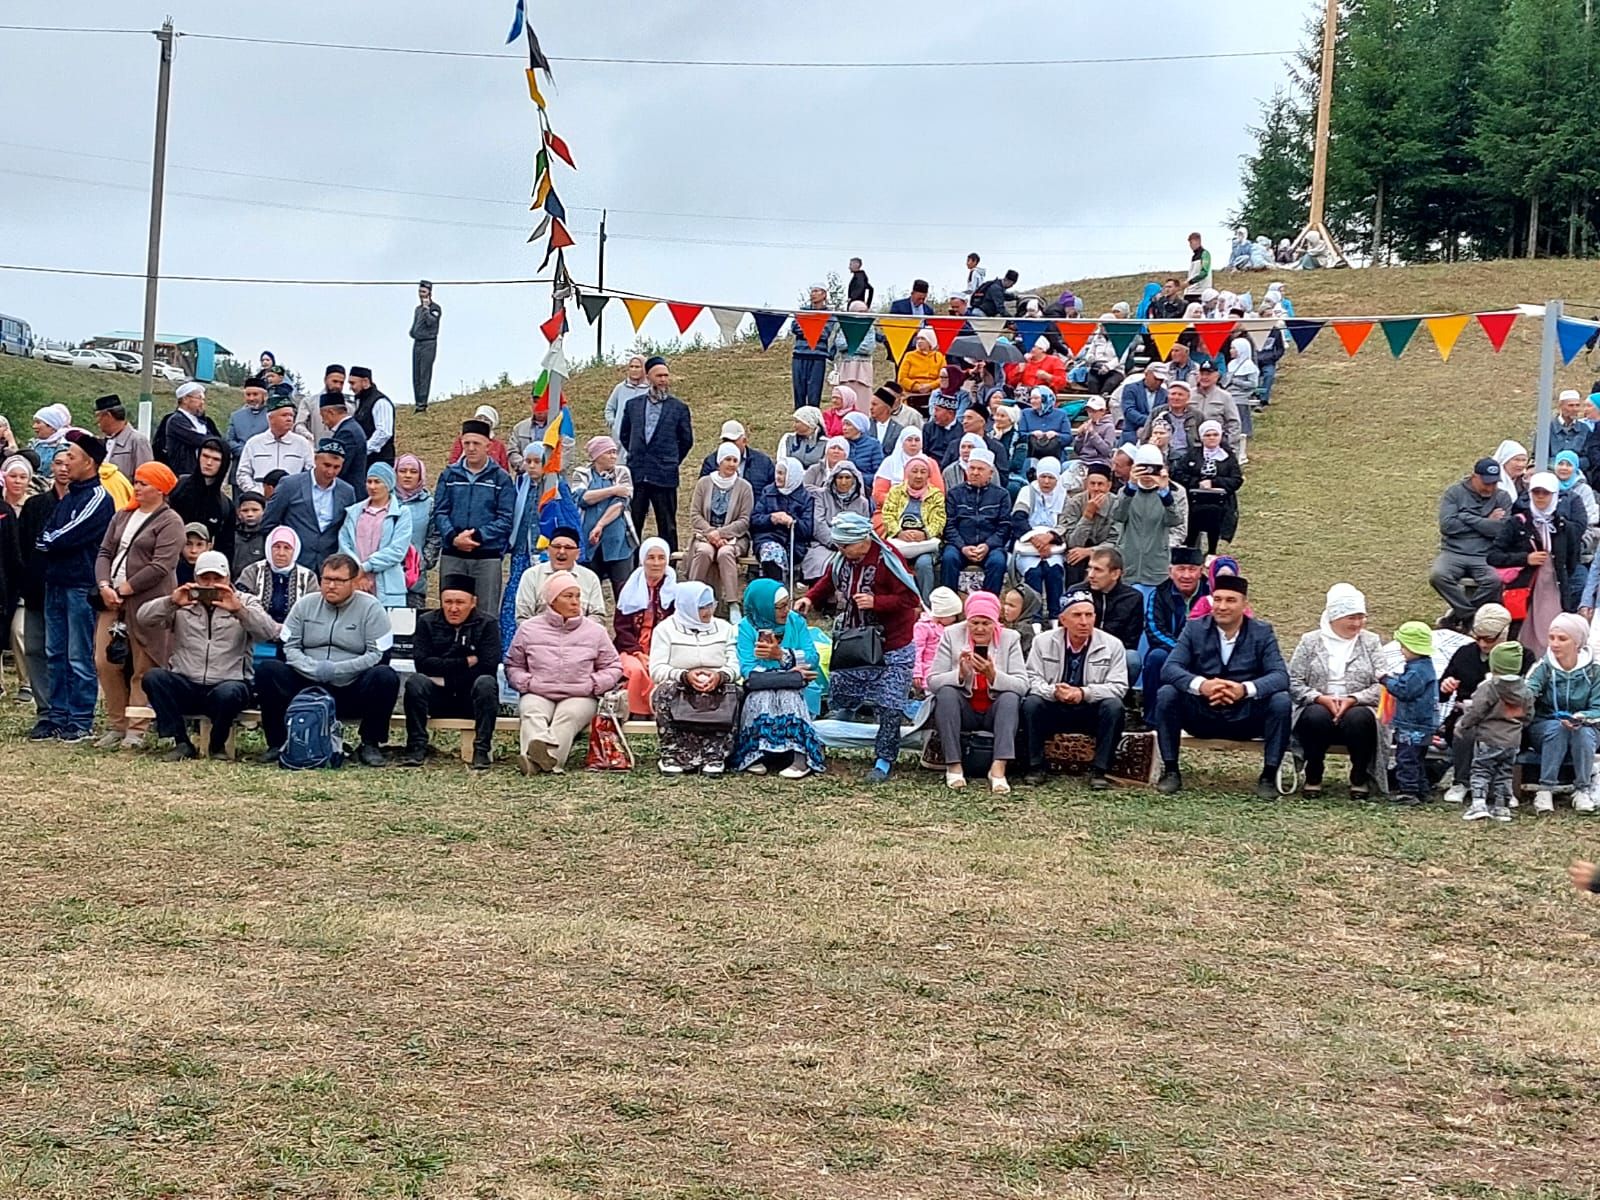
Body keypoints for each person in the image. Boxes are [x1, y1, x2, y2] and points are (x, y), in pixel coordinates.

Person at [796, 512, 921, 783]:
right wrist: (809, 598)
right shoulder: (842, 560)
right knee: (842, 691)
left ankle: (884, 760)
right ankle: (835, 732)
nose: (841, 550)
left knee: (890, 704)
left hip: (892, 645)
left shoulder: (888, 560)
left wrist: (877, 602)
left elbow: (910, 598)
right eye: (839, 545)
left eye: (846, 545)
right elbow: (827, 581)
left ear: (863, 540)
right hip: (855, 641)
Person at [254, 552, 400, 768]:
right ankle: (278, 743)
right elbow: (288, 647)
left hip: (350, 685)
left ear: (355, 582)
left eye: (339, 580)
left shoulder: (372, 608)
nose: (331, 586)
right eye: (327, 579)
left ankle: (370, 743)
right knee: (268, 670)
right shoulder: (304, 605)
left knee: (385, 676)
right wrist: (312, 668)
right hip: (307, 683)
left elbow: (377, 655)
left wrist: (338, 669)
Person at [1154, 574, 1290, 798]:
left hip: (1245, 717)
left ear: (1244, 604)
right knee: (1167, 693)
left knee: (1281, 700)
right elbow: (1170, 668)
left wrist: (1243, 690)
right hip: (1202, 714)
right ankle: (1170, 770)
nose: (1222, 606)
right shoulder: (1194, 629)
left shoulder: (1261, 632)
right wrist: (1202, 685)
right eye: (1217, 600)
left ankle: (1268, 775)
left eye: (1230, 600)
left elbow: (1279, 676)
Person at [139, 549, 279, 760]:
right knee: (154, 677)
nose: (211, 584)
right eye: (205, 578)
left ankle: (217, 744)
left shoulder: (245, 601)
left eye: (217, 578)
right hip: (187, 682)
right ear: (196, 579)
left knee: (230, 692)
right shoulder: (182, 601)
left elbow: (269, 632)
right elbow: (143, 619)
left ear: (228, 579)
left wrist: (238, 610)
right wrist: (171, 602)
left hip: (228, 684)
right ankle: (181, 742)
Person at [91, 460, 184, 749]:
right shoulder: (122, 515)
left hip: (148, 602)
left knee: (145, 663)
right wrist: (105, 586)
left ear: (160, 488)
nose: (137, 487)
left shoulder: (171, 522)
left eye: (143, 483)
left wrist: (127, 588)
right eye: (137, 482)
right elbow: (105, 551)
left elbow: (162, 565)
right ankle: (117, 723)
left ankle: (136, 728)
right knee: (104, 661)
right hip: (112, 601)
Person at [33, 431, 116, 743]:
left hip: (80, 585)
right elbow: (45, 532)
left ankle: (80, 718)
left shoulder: (98, 498)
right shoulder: (69, 496)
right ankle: (57, 715)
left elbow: (63, 535)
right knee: (55, 652)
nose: (66, 461)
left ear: (89, 463)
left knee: (78, 655)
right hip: (55, 581)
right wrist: (48, 540)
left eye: (72, 456)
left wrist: (49, 541)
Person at [1019, 587, 1130, 789]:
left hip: (1090, 708)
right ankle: (1035, 767)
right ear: (1063, 619)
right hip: (1055, 706)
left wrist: (1083, 693)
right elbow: (1031, 679)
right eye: (1077, 615)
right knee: (1031, 704)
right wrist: (1053, 691)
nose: (1084, 621)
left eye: (1089, 615)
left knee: (1114, 707)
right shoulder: (1042, 642)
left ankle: (1100, 771)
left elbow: (1119, 687)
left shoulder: (1113, 645)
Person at [1287, 584, 1388, 799]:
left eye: (1361, 617)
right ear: (1334, 617)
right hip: (1317, 704)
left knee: (1359, 718)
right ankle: (1314, 773)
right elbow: (1294, 681)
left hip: (1359, 707)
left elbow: (1384, 683)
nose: (1357, 623)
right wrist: (1320, 698)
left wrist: (1353, 699)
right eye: (1351, 618)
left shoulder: (1370, 641)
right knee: (1316, 716)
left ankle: (1359, 776)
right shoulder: (1310, 641)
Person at [925, 590, 1027, 793]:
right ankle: (953, 765)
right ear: (967, 621)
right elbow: (932, 681)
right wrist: (960, 674)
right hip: (964, 709)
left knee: (1010, 697)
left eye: (986, 623)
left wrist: (993, 675)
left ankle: (998, 768)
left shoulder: (1010, 638)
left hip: (994, 710)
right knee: (946, 693)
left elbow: (1022, 685)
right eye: (974, 623)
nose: (979, 628)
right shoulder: (952, 634)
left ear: (995, 622)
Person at [396, 574, 501, 769]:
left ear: (473, 602)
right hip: (438, 697)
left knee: (486, 683)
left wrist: (446, 678)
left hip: (471, 697)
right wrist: (465, 662)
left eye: (460, 602)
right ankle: (416, 747)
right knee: (415, 682)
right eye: (448, 602)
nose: (453, 608)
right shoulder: (427, 622)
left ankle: (481, 749)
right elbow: (422, 664)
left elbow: (488, 666)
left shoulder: (487, 624)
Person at [1439, 603, 1531, 804]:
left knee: (1502, 734)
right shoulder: (1464, 653)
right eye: (1477, 637)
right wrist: (1446, 686)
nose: (1482, 644)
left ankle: (1502, 788)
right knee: (1465, 729)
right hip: (1468, 712)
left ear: (1504, 633)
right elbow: (1442, 693)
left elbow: (1526, 700)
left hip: (1505, 717)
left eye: (1489, 639)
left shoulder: (1523, 656)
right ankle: (1461, 781)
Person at [733, 577, 825, 778]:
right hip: (764, 686)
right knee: (761, 697)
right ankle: (755, 754)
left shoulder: (796, 622)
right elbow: (748, 669)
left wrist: (780, 655)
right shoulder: (747, 627)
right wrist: (790, 674)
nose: (785, 611)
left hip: (798, 687)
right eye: (779, 607)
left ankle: (800, 757)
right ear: (763, 607)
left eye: (787, 604)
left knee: (790, 696)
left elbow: (812, 658)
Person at [649, 579, 740, 775]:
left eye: (710, 605)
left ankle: (715, 755)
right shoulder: (665, 630)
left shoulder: (724, 628)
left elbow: (734, 664)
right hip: (680, 684)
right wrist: (684, 676)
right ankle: (673, 755)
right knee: (665, 692)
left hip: (716, 683)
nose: (708, 611)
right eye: (701, 607)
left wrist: (720, 676)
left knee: (734, 692)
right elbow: (656, 669)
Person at [1489, 470, 1581, 655]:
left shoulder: (1564, 526)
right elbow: (1493, 556)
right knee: (1523, 635)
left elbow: (1572, 560)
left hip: (1554, 589)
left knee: (1553, 633)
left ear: (1554, 495)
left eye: (1545, 493)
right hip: (1524, 589)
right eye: (1536, 492)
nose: (1540, 497)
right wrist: (1525, 559)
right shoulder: (1517, 523)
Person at [433, 418, 515, 617]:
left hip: (486, 556)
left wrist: (477, 536)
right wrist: (453, 537)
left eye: (476, 443)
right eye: (466, 443)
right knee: (451, 611)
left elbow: (505, 518)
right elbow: (440, 511)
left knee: (486, 614)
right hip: (453, 554)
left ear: (488, 445)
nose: (471, 448)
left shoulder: (500, 478)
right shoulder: (449, 476)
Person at [1523, 612, 1600, 814]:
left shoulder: (1594, 670)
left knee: (1581, 732)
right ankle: (1545, 789)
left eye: (1562, 639)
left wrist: (1581, 718)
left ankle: (1582, 789)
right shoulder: (1543, 666)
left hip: (1585, 725)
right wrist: (1526, 695)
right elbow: (1528, 690)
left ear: (1577, 642)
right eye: (1552, 637)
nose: (1555, 643)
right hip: (1546, 725)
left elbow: (1598, 707)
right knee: (1558, 729)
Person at [620, 356, 696, 552]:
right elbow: (625, 435)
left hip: (664, 475)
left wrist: (670, 460)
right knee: (634, 521)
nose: (663, 379)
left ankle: (669, 563)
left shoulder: (678, 408)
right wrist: (638, 455)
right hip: (638, 473)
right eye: (659, 375)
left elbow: (686, 440)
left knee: (667, 524)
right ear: (648, 377)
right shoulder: (633, 405)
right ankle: (632, 563)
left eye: (666, 375)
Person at [1457, 641, 1532, 822]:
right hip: (1512, 742)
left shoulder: (1489, 687)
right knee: (1504, 773)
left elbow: (1476, 710)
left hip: (1489, 738)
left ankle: (1479, 804)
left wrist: (1463, 725)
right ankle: (1501, 807)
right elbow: (1528, 715)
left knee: (1481, 770)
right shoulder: (1525, 690)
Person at [15, 455, 67, 715]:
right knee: (35, 648)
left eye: (69, 463)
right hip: (36, 589)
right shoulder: (35, 505)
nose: (64, 468)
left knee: (66, 651)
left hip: (68, 589)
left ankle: (65, 706)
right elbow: (22, 547)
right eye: (58, 463)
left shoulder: (83, 504)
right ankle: (45, 706)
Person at [1431, 457, 1508, 630]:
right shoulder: (1454, 493)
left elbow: (1500, 530)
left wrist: (1465, 517)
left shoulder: (1502, 497)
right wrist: (1485, 521)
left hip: (1484, 555)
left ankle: (1455, 617)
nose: (1490, 488)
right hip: (1453, 552)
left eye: (1494, 483)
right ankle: (1469, 616)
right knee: (1438, 575)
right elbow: (1448, 526)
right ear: (1474, 476)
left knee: (1494, 581)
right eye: (1486, 483)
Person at [687, 443, 754, 616]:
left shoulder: (744, 487)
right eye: (728, 460)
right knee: (703, 552)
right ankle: (692, 598)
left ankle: (732, 604)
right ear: (719, 461)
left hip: (735, 538)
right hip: (705, 536)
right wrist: (711, 533)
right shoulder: (704, 483)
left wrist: (721, 533)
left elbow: (744, 520)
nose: (732, 464)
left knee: (725, 553)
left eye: (735, 460)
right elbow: (695, 515)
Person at [613, 537, 675, 720]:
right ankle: (636, 714)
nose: (656, 563)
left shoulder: (674, 589)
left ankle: (659, 713)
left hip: (663, 648)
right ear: (642, 559)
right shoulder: (629, 587)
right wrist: (638, 652)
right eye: (651, 557)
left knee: (661, 669)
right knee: (636, 670)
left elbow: (675, 626)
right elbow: (621, 627)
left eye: (661, 558)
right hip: (631, 648)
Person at [1140, 547, 1208, 714]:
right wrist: (1181, 650)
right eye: (1180, 569)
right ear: (1170, 571)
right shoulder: (1159, 593)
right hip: (1169, 648)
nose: (1186, 575)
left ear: (1201, 572)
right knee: (1156, 658)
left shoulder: (1211, 593)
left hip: (1205, 650)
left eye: (1192, 569)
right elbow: (1154, 629)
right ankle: (1152, 718)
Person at [337, 462, 413, 609]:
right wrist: (356, 572)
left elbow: (397, 550)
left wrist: (366, 567)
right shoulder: (354, 512)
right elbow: (344, 543)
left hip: (388, 589)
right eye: (369, 481)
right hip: (355, 583)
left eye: (377, 482)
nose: (372, 486)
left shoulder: (402, 513)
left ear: (389, 484)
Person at [570, 435, 636, 602]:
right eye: (609, 452)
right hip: (588, 541)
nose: (614, 456)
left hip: (618, 541)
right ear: (596, 456)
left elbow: (621, 503)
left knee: (624, 592)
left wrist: (600, 524)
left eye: (615, 452)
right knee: (588, 592)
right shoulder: (581, 474)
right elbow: (582, 499)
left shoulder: (623, 472)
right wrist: (613, 490)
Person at [1113, 445, 1184, 589]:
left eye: (1152, 468)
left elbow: (1175, 521)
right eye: (1142, 467)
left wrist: (1165, 493)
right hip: (1129, 563)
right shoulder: (1125, 492)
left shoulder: (1174, 492)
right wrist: (1131, 487)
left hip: (1156, 566)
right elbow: (1118, 516)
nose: (1147, 473)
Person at [1386, 622, 1440, 806]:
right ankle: (1422, 790)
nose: (1401, 651)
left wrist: (1385, 680)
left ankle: (1408, 791)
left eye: (1403, 647)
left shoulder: (1417, 670)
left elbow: (1405, 691)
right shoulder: (1424, 667)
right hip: (1424, 724)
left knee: (1406, 758)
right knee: (1418, 758)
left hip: (1412, 724)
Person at [941, 449, 1009, 594]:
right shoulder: (954, 494)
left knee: (997, 562)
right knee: (949, 558)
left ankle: (988, 607)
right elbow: (949, 526)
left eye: (980, 469)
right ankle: (948, 607)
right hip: (960, 545)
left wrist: (987, 545)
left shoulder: (1001, 495)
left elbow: (1004, 527)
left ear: (990, 473)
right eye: (972, 468)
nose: (975, 472)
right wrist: (962, 547)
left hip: (990, 546)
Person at [1172, 420, 1243, 554]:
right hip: (1193, 502)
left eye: (1215, 435)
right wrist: (1197, 483)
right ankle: (1190, 552)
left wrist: (1214, 482)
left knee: (1214, 527)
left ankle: (1211, 552)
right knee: (1192, 531)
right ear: (1201, 437)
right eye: (1208, 435)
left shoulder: (1228, 457)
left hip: (1219, 503)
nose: (1211, 438)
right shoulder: (1192, 454)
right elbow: (1178, 474)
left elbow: (1236, 480)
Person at [879, 454, 944, 599]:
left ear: (928, 475)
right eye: (914, 471)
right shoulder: (896, 492)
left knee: (924, 563)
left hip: (925, 544)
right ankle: (896, 601)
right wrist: (899, 532)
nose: (919, 476)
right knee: (889, 560)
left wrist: (924, 534)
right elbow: (888, 515)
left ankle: (924, 603)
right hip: (900, 541)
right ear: (907, 473)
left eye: (923, 472)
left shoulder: (936, 495)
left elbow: (939, 521)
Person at [1010, 458, 1068, 617]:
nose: (1046, 482)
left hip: (1054, 546)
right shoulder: (1027, 492)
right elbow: (1018, 520)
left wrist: (1049, 539)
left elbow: (1066, 524)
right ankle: (1034, 617)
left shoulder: (1064, 496)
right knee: (1034, 573)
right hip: (1028, 544)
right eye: (1043, 477)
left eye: (1051, 478)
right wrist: (1037, 540)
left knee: (1054, 572)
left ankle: (1055, 616)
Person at [514, 525, 607, 620]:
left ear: (577, 554)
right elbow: (523, 617)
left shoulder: (590, 578)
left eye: (568, 547)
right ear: (548, 550)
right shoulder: (531, 575)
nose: (562, 551)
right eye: (557, 546)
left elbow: (598, 616)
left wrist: (578, 631)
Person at [237, 525, 319, 633]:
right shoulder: (253, 571)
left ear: (295, 550)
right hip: (256, 635)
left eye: (287, 548)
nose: (281, 553)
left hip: (295, 636)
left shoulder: (307, 577)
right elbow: (241, 604)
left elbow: (314, 610)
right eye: (276, 546)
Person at [802, 461, 870, 581]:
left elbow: (864, 528)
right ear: (833, 479)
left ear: (854, 479)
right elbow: (819, 523)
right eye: (840, 477)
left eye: (847, 478)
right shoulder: (821, 496)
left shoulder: (862, 502)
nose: (843, 482)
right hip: (824, 544)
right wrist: (835, 542)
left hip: (853, 546)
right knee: (821, 564)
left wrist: (850, 545)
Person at [751, 456, 813, 584]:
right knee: (772, 552)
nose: (777, 477)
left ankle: (778, 592)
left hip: (793, 544)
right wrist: (771, 519)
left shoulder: (805, 498)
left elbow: (807, 529)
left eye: (782, 473)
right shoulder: (768, 492)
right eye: (777, 473)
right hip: (767, 539)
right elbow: (754, 520)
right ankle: (776, 591)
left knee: (778, 554)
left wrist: (792, 522)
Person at [237, 393, 314, 494]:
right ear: (270, 418)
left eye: (291, 415)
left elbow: (311, 473)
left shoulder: (302, 444)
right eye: (284, 415)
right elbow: (242, 474)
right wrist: (255, 493)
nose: (289, 419)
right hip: (260, 499)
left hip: (292, 500)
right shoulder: (254, 443)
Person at [393, 455, 439, 610]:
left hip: (415, 579)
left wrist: (423, 561)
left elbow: (434, 535)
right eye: (402, 471)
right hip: (386, 577)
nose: (407, 475)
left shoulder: (429, 504)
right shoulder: (385, 500)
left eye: (413, 472)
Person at [790, 285, 841, 410]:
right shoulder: (802, 311)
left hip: (818, 357)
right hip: (799, 354)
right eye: (812, 291)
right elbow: (795, 328)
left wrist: (807, 327)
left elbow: (824, 333)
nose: (813, 294)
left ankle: (813, 423)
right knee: (799, 393)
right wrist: (813, 328)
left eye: (816, 291)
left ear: (824, 294)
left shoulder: (829, 314)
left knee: (814, 394)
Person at [154, 382, 220, 477]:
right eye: (199, 398)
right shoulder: (176, 420)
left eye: (203, 399)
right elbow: (198, 439)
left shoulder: (201, 421)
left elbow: (215, 439)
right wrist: (214, 441)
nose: (202, 403)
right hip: (184, 474)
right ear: (185, 399)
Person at [914, 587, 962, 693]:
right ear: (942, 614)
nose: (955, 619)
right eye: (953, 616)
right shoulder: (922, 627)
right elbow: (917, 650)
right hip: (929, 671)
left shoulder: (949, 628)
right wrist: (917, 672)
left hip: (948, 671)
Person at [94, 394, 153, 481]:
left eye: (98, 416)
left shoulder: (137, 441)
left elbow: (146, 476)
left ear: (108, 416)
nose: (97, 421)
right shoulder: (102, 441)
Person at [346, 367, 395, 469]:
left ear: (365, 381)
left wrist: (363, 450)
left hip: (379, 461)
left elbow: (384, 432)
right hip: (367, 460)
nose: (350, 387)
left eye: (353, 383)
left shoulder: (380, 402)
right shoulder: (361, 401)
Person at [319, 392, 368, 488]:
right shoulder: (353, 427)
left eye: (322, 416)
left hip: (349, 491)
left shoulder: (347, 433)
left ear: (330, 412)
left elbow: (339, 467)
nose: (323, 421)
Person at [1223, 339, 1260, 463]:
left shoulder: (1249, 366)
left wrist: (1236, 381)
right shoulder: (1232, 364)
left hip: (1241, 396)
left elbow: (1253, 384)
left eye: (1234, 348)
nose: (1231, 351)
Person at [225, 376, 271, 472]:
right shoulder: (236, 416)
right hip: (239, 466)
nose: (251, 398)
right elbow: (229, 440)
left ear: (264, 396)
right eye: (248, 394)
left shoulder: (272, 416)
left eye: (255, 394)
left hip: (264, 467)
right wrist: (245, 452)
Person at [409, 280, 442, 413]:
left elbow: (431, 322)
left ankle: (422, 404)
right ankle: (417, 402)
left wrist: (427, 309)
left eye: (423, 292)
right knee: (416, 374)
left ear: (429, 292)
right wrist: (412, 332)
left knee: (424, 373)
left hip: (429, 343)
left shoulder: (435, 308)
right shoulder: (417, 309)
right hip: (417, 343)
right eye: (419, 291)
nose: (421, 294)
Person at [294, 365, 344, 446]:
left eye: (341, 383)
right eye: (334, 381)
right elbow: (299, 424)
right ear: (325, 380)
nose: (338, 386)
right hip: (316, 451)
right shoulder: (309, 402)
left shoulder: (348, 406)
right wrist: (307, 435)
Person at [839, 412, 883, 489]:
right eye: (844, 424)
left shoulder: (873, 444)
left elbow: (879, 473)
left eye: (848, 424)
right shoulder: (841, 442)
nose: (844, 428)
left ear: (859, 427)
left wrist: (858, 478)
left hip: (864, 486)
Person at [897, 328, 943, 395]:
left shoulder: (939, 356)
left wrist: (930, 386)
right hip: (911, 393)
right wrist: (917, 387)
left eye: (923, 339)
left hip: (933, 393)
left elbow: (943, 378)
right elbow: (902, 379)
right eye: (918, 339)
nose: (919, 341)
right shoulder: (909, 356)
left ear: (930, 341)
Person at [1184, 232, 1213, 300]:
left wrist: (1190, 282)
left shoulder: (1205, 254)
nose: (1190, 245)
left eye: (1191, 242)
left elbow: (1204, 272)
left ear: (1198, 241)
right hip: (1191, 291)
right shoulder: (1194, 256)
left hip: (1201, 291)